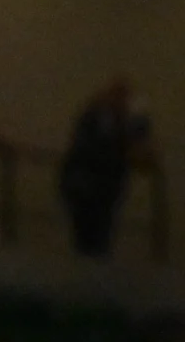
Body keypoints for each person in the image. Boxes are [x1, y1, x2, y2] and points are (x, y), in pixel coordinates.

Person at [62, 79, 155, 260]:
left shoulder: (129, 121)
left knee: (100, 234)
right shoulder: (95, 116)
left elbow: (142, 147)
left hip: (105, 184)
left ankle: (92, 265)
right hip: (86, 182)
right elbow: (89, 148)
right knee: (89, 234)